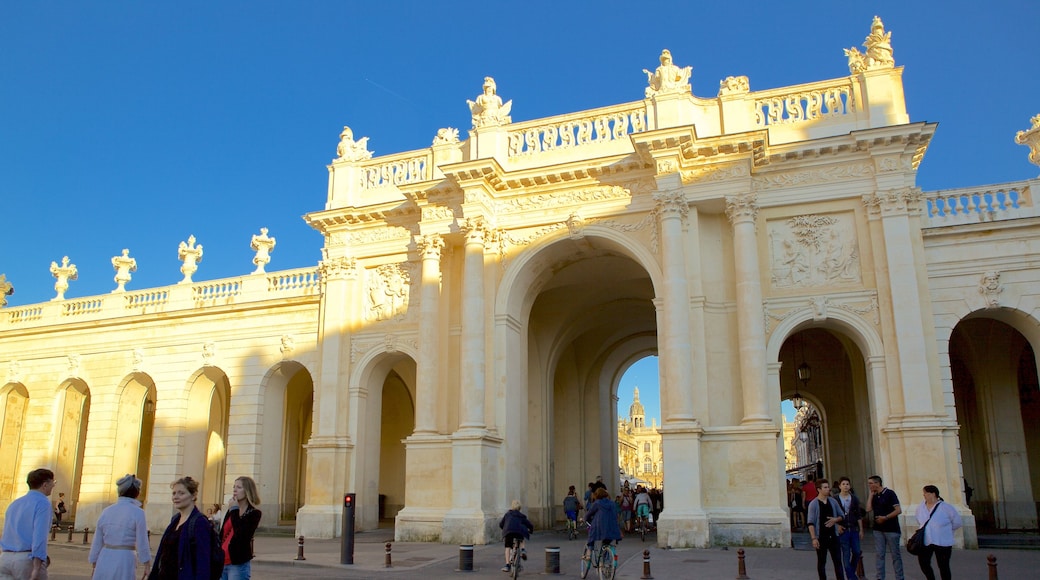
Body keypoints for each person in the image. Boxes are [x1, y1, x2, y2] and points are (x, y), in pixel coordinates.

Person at [150, 476, 220, 580]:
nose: (176, 497)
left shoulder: (200, 523)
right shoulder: (175, 520)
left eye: (181, 493)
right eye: (174, 493)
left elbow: (203, 562)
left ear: (193, 496)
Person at [88, 474, 151, 580]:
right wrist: (147, 564)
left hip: (105, 556)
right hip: (125, 557)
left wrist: (94, 561)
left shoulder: (107, 511)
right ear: (137, 493)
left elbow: (98, 539)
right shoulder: (138, 513)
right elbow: (142, 541)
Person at [0, 468, 56, 580]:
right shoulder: (42, 503)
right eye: (53, 483)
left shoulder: (15, 504)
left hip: (5, 557)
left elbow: (6, 531)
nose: (53, 486)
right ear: (45, 485)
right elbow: (39, 536)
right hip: (26, 559)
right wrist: (37, 567)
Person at [913, 485, 962, 580]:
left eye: (926, 493)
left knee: (943, 565)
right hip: (925, 540)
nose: (924, 495)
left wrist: (944, 530)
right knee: (923, 563)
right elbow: (918, 520)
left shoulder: (946, 507)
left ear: (933, 494)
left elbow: (957, 522)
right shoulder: (921, 507)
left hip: (942, 541)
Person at [219, 476, 262, 580]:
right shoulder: (231, 510)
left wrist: (234, 509)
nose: (235, 490)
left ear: (247, 491)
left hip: (237, 563)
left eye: (239, 487)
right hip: (221, 561)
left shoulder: (254, 513)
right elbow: (223, 533)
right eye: (234, 487)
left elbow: (241, 535)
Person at [866, 475, 904, 580]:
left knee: (895, 555)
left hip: (891, 529)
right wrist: (870, 496)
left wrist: (885, 517)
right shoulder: (874, 495)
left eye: (871, 483)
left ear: (877, 483)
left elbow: (898, 510)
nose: (869, 485)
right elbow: (868, 509)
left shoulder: (890, 493)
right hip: (878, 529)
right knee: (879, 554)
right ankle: (880, 577)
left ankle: (899, 577)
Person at [806, 479, 845, 580]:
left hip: (834, 536)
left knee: (838, 561)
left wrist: (835, 519)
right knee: (822, 562)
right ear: (819, 489)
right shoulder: (813, 504)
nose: (828, 489)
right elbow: (810, 522)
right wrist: (814, 538)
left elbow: (842, 515)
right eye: (825, 487)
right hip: (821, 537)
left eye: (828, 487)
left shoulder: (833, 501)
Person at [834, 476, 865, 580]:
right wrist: (837, 526)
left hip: (853, 529)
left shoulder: (854, 498)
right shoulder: (835, 499)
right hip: (843, 530)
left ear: (850, 486)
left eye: (847, 484)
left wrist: (861, 529)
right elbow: (832, 514)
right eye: (843, 484)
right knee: (846, 554)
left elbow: (858, 515)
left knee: (857, 552)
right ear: (839, 486)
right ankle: (851, 577)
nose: (845, 486)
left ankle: (850, 572)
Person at [584, 488, 622, 565]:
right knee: (607, 542)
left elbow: (590, 513)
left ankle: (589, 553)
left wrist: (584, 519)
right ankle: (605, 561)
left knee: (592, 536)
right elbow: (616, 514)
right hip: (612, 526)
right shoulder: (612, 503)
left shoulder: (597, 503)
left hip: (599, 526)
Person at [498, 499, 533, 574]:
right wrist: (531, 530)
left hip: (509, 532)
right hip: (519, 532)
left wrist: (504, 528)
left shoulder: (508, 514)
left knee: (507, 547)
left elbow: (501, 524)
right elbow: (529, 525)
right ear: (520, 508)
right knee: (521, 537)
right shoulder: (521, 516)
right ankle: (523, 550)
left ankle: (507, 565)